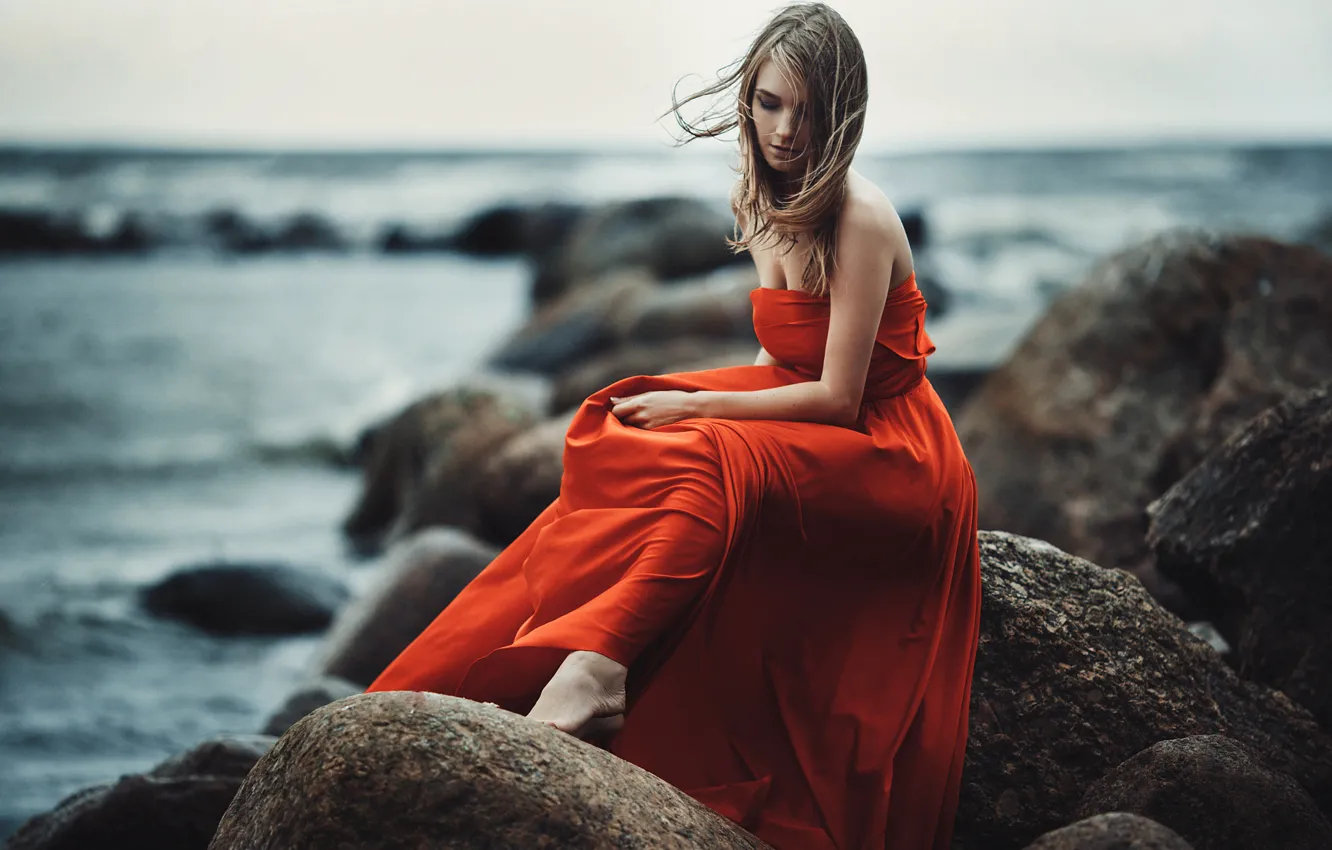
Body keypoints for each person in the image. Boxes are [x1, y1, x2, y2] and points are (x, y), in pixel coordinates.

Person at [366, 3, 981, 847]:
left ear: (844, 112)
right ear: (747, 101)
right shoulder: (756, 200)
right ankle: (519, 661)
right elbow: (783, 358)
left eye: (807, 110)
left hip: (893, 453)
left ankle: (600, 667)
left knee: (708, 450)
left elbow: (840, 397)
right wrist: (691, 405)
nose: (785, 130)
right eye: (769, 103)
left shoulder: (860, 217)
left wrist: (701, 406)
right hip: (824, 424)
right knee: (628, 422)